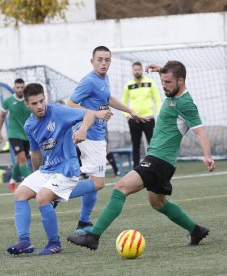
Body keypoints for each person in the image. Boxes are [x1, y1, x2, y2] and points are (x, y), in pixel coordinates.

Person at [67, 61, 216, 250]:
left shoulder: (186, 104)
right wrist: (161, 69)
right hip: (160, 161)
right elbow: (172, 73)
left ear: (180, 81)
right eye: (162, 81)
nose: (164, 85)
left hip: (159, 161)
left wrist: (207, 156)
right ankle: (196, 230)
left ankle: (93, 236)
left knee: (120, 188)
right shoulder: (174, 93)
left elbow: (200, 131)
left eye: (168, 82)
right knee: (158, 203)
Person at [6, 83, 96, 256]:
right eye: (34, 103)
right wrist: (35, 175)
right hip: (48, 170)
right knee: (19, 194)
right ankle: (24, 241)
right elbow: (36, 152)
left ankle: (54, 243)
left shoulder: (58, 112)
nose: (40, 106)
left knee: (42, 198)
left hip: (66, 169)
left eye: (41, 101)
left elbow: (89, 113)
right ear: (27, 104)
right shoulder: (29, 126)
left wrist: (83, 129)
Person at [66, 46, 145, 234]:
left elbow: (107, 98)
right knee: (98, 183)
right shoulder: (89, 81)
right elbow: (70, 104)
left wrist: (130, 110)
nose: (103, 63)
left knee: (94, 182)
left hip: (98, 136)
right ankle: (56, 195)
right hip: (89, 135)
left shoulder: (104, 78)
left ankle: (84, 222)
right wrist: (96, 114)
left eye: (107, 60)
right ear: (92, 61)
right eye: (99, 59)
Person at [122, 61, 162, 168]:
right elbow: (123, 102)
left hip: (148, 118)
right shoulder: (128, 85)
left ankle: (155, 165)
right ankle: (136, 167)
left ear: (142, 70)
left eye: (139, 69)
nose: (137, 71)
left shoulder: (150, 83)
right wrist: (127, 115)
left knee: (152, 144)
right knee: (136, 145)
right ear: (132, 71)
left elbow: (157, 99)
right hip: (134, 120)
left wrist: (160, 114)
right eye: (135, 70)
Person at [0, 78, 32, 192]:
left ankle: (12, 181)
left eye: (22, 87)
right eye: (17, 87)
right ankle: (30, 183)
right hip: (14, 134)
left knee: (20, 160)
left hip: (26, 135)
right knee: (22, 158)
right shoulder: (8, 101)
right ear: (14, 88)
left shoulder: (29, 101)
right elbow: (2, 116)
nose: (20, 89)